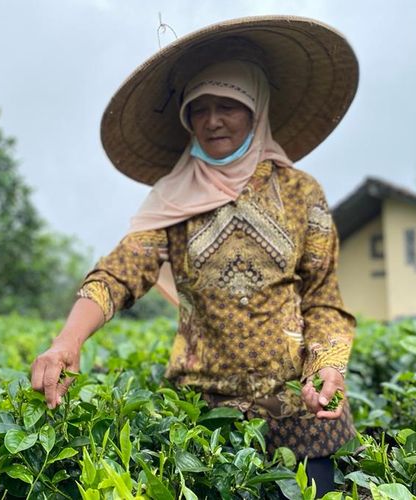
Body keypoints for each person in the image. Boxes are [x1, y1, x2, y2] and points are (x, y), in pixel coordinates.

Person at [31, 16, 359, 493]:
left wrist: (325, 367)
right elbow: (120, 273)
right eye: (199, 109)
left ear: (257, 110)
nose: (212, 120)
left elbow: (323, 300)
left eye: (228, 105)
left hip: (299, 408)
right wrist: (67, 341)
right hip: (204, 412)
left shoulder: (301, 192)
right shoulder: (174, 198)